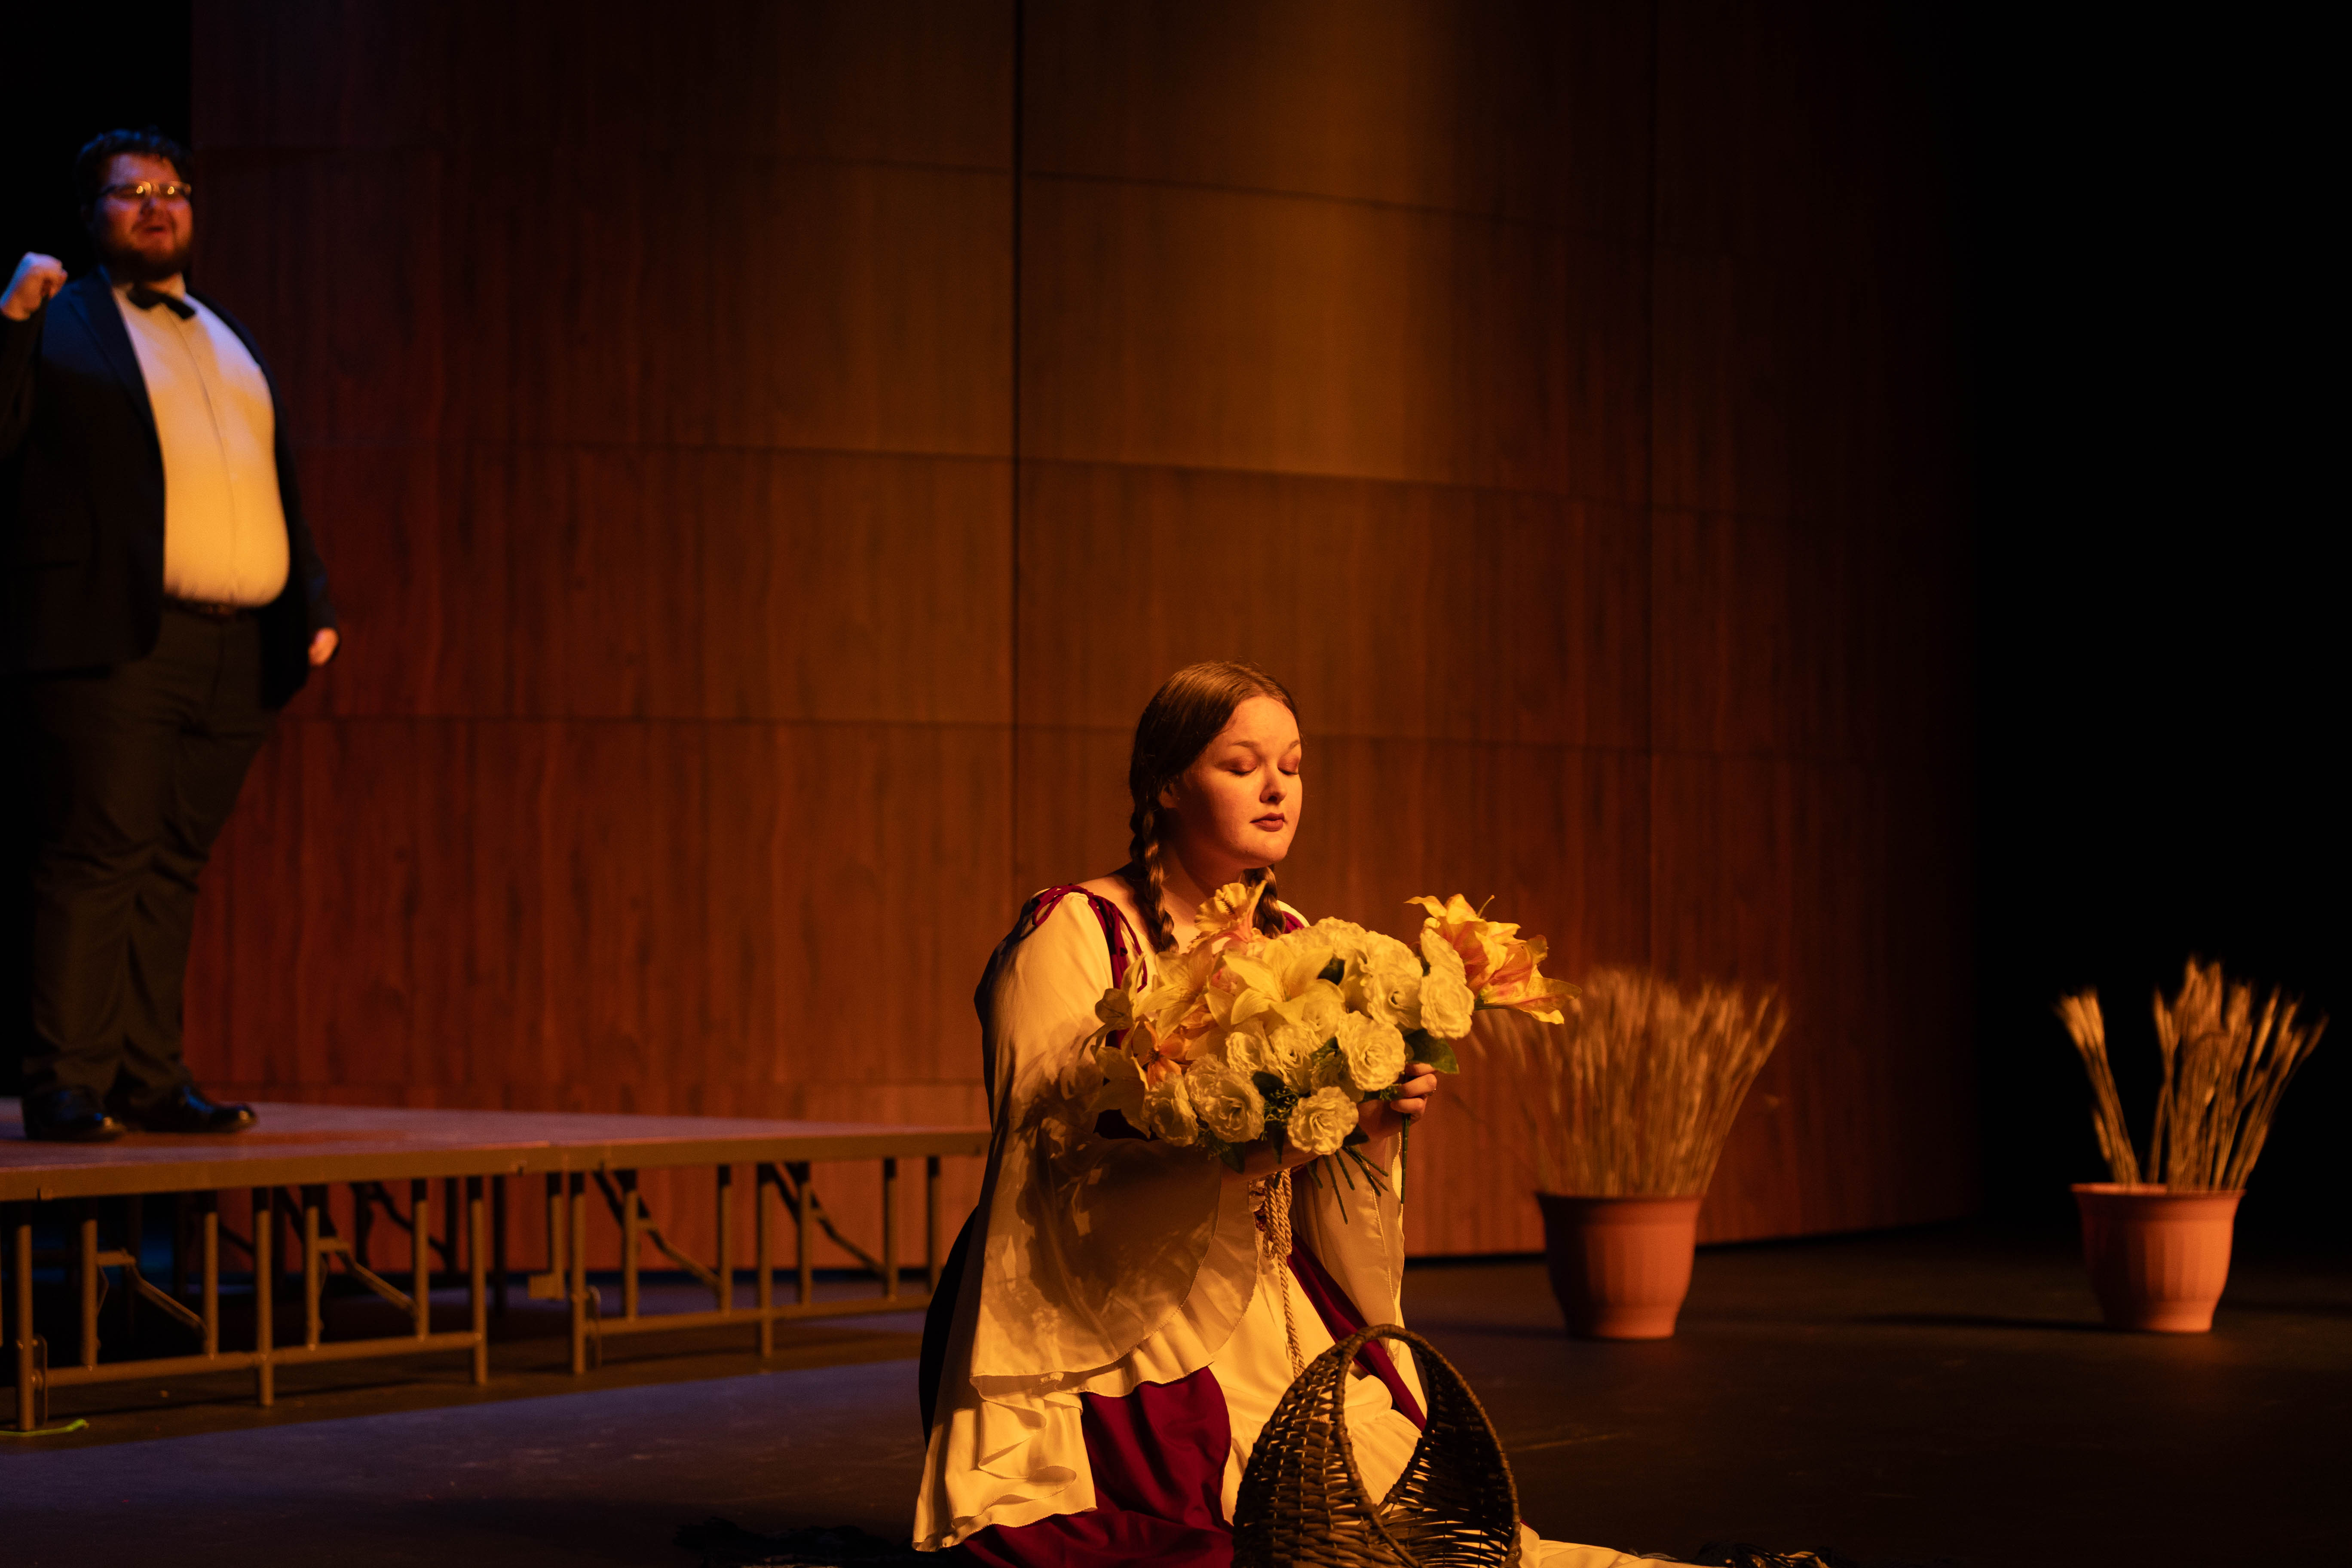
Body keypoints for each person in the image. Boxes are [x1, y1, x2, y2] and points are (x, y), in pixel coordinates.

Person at [913, 662, 1659, 1567]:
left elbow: (1315, 1163)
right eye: (1243, 766)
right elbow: (1050, 1152)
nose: (1277, 788)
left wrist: (1372, 1122)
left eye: (1293, 766)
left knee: (1405, 1516)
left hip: (1273, 1281)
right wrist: (1254, 1144)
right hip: (1125, 1303)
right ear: (1167, 785)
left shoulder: (1292, 935)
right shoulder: (1079, 931)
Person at [1, 129, 338, 1142]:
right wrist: (11, 322)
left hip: (237, 649)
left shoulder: (229, 337)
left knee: (172, 861)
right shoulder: (62, 322)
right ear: (90, 216)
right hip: (118, 636)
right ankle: (66, 1080)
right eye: (131, 191)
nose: (157, 205)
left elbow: (266, 476)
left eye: (174, 188)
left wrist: (311, 600)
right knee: (96, 854)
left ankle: (147, 1076)